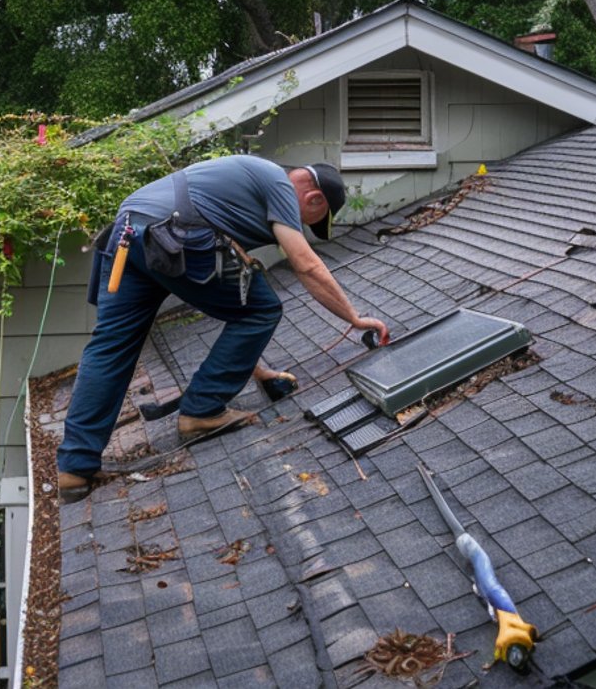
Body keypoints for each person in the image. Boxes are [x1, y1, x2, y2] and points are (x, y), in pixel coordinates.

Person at [56, 157, 388, 502]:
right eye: (312, 223)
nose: (302, 226)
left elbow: (230, 300)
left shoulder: (237, 188)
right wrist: (355, 319)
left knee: (111, 346)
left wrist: (258, 372)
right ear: (315, 200)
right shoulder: (278, 184)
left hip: (128, 234)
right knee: (264, 307)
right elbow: (306, 265)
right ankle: (202, 410)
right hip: (174, 233)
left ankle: (74, 467)